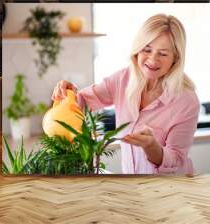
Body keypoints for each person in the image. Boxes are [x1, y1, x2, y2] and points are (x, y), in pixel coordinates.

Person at [52, 14, 200, 175]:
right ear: (138, 50)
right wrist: (68, 92)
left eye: (163, 54)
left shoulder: (187, 101)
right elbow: (83, 101)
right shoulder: (123, 79)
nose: (152, 59)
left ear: (176, 58)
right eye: (147, 49)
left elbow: (177, 160)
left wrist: (152, 147)